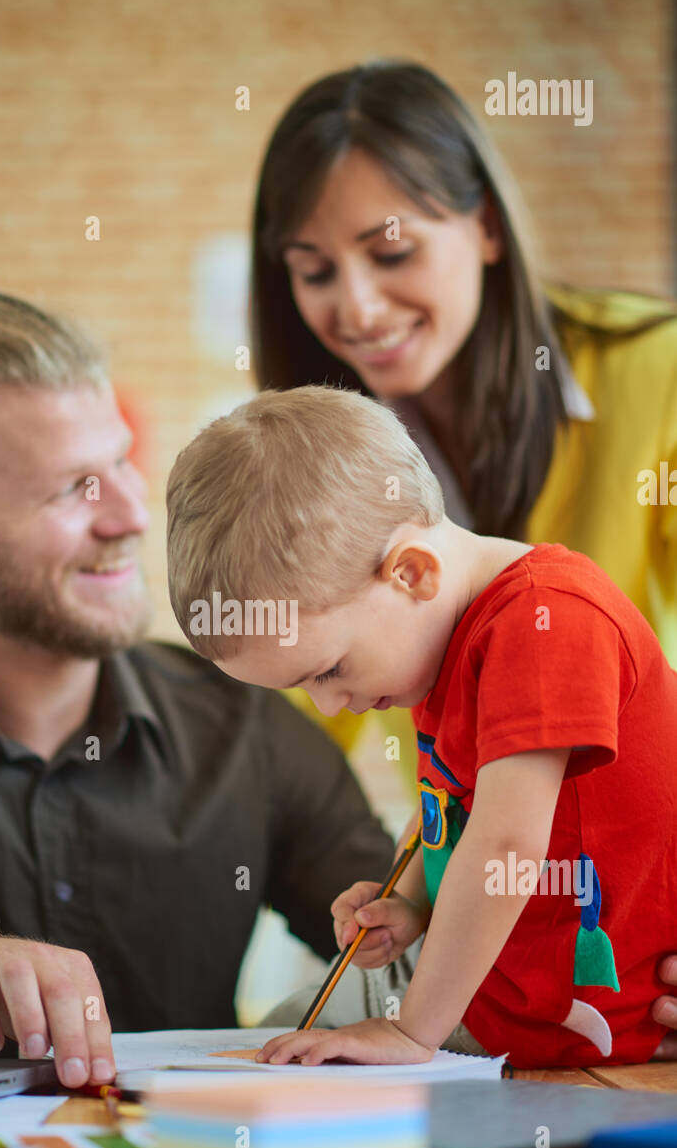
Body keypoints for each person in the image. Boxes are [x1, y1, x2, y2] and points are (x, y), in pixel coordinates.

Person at [0, 289, 398, 1088]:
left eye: (120, 461)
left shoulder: (246, 726)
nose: (130, 513)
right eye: (72, 488)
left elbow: (404, 935)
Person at [166, 385, 677, 1067]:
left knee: (298, 1062)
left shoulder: (544, 621)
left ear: (410, 572)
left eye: (328, 670)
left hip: (584, 1026)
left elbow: (503, 846)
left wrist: (410, 1032)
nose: (329, 705)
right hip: (501, 1004)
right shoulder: (440, 641)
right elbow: (449, 806)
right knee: (287, 1035)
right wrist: (411, 904)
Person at [250, 60, 677, 764]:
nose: (356, 308)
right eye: (314, 270)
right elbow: (293, 730)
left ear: (485, 227)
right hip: (458, 847)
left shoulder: (656, 371)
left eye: (391, 252)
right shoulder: (313, 457)